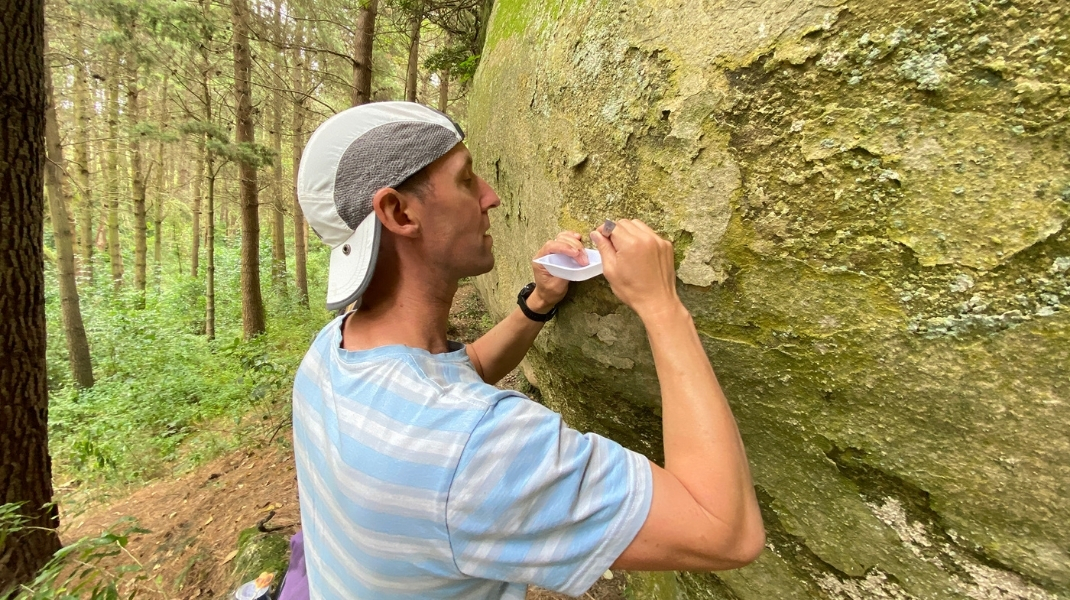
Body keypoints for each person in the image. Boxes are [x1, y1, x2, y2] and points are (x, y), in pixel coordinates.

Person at [285, 101, 765, 600]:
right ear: (399, 212)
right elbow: (726, 531)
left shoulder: (332, 351)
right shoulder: (473, 450)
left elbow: (456, 375)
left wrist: (540, 302)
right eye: (467, 180)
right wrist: (661, 307)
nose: (491, 197)